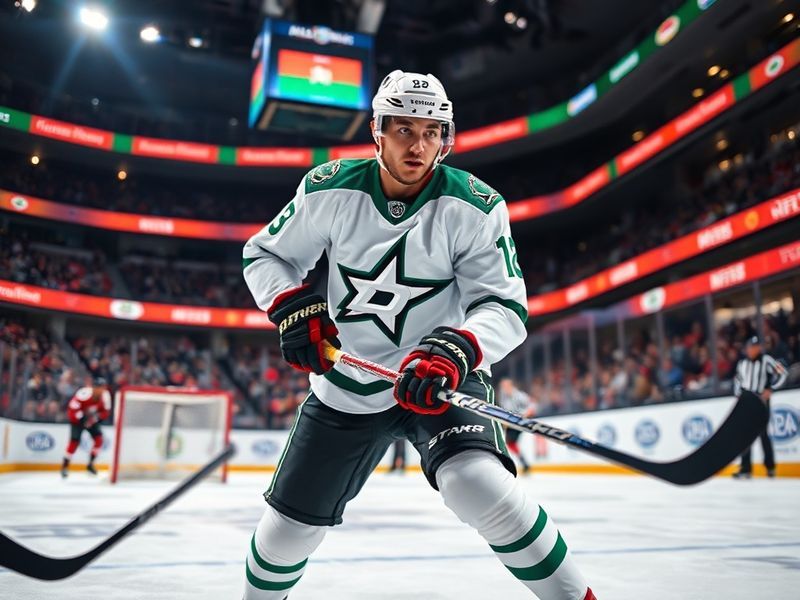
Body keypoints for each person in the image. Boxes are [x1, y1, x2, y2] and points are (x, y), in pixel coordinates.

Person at [242, 70, 595, 599]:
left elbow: (504, 306)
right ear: (378, 132)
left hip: (438, 377)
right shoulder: (328, 189)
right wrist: (291, 305)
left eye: (431, 132)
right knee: (285, 536)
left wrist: (459, 349)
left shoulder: (476, 206)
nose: (419, 146)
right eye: (405, 129)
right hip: (346, 387)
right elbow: (266, 255)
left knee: (477, 485)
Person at [732, 336, 787, 479]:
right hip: (747, 402)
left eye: (755, 347)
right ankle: (745, 469)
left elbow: (782, 373)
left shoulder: (766, 360)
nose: (753, 349)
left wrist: (771, 389)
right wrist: (738, 395)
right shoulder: (742, 363)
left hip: (761, 402)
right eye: (751, 347)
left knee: (763, 434)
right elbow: (737, 380)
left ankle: (770, 467)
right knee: (744, 435)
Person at [61, 377, 111, 477]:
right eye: (99, 387)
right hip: (77, 420)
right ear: (93, 387)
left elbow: (105, 412)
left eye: (103, 387)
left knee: (99, 440)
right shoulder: (83, 394)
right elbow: (72, 408)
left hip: (91, 419)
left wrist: (94, 419)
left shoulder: (105, 396)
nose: (101, 390)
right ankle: (65, 466)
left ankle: (90, 464)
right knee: (74, 442)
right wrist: (81, 419)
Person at [498, 377, 535, 473]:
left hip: (520, 422)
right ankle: (524, 463)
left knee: (509, 442)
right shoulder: (504, 397)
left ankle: (522, 463)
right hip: (512, 424)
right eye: (502, 386)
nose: (504, 388)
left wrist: (525, 415)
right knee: (510, 443)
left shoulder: (519, 396)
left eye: (505, 386)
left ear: (511, 385)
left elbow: (531, 406)